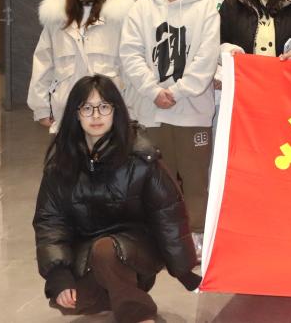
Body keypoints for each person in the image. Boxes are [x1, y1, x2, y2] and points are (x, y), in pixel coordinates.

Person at [33, 75, 201, 323]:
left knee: (106, 250)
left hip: (138, 254)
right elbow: (50, 222)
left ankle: (139, 315)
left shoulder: (140, 157)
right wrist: (59, 275)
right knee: (72, 300)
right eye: (87, 108)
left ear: (116, 110)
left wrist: (184, 271)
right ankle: (119, 293)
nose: (96, 116)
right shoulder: (61, 163)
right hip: (89, 257)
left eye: (104, 107)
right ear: (75, 114)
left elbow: (168, 214)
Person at [119, 0, 220, 260]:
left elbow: (206, 58)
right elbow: (130, 54)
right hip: (152, 110)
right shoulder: (141, 9)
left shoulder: (206, 8)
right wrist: (153, 91)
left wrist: (176, 92)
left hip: (192, 110)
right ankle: (160, 238)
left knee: (195, 179)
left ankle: (197, 236)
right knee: (157, 179)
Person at [27, 0, 132, 133]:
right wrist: (41, 108)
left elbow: (128, 64)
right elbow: (43, 63)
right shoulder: (57, 17)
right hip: (67, 106)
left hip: (108, 107)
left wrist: (130, 107)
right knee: (69, 150)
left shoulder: (117, 16)